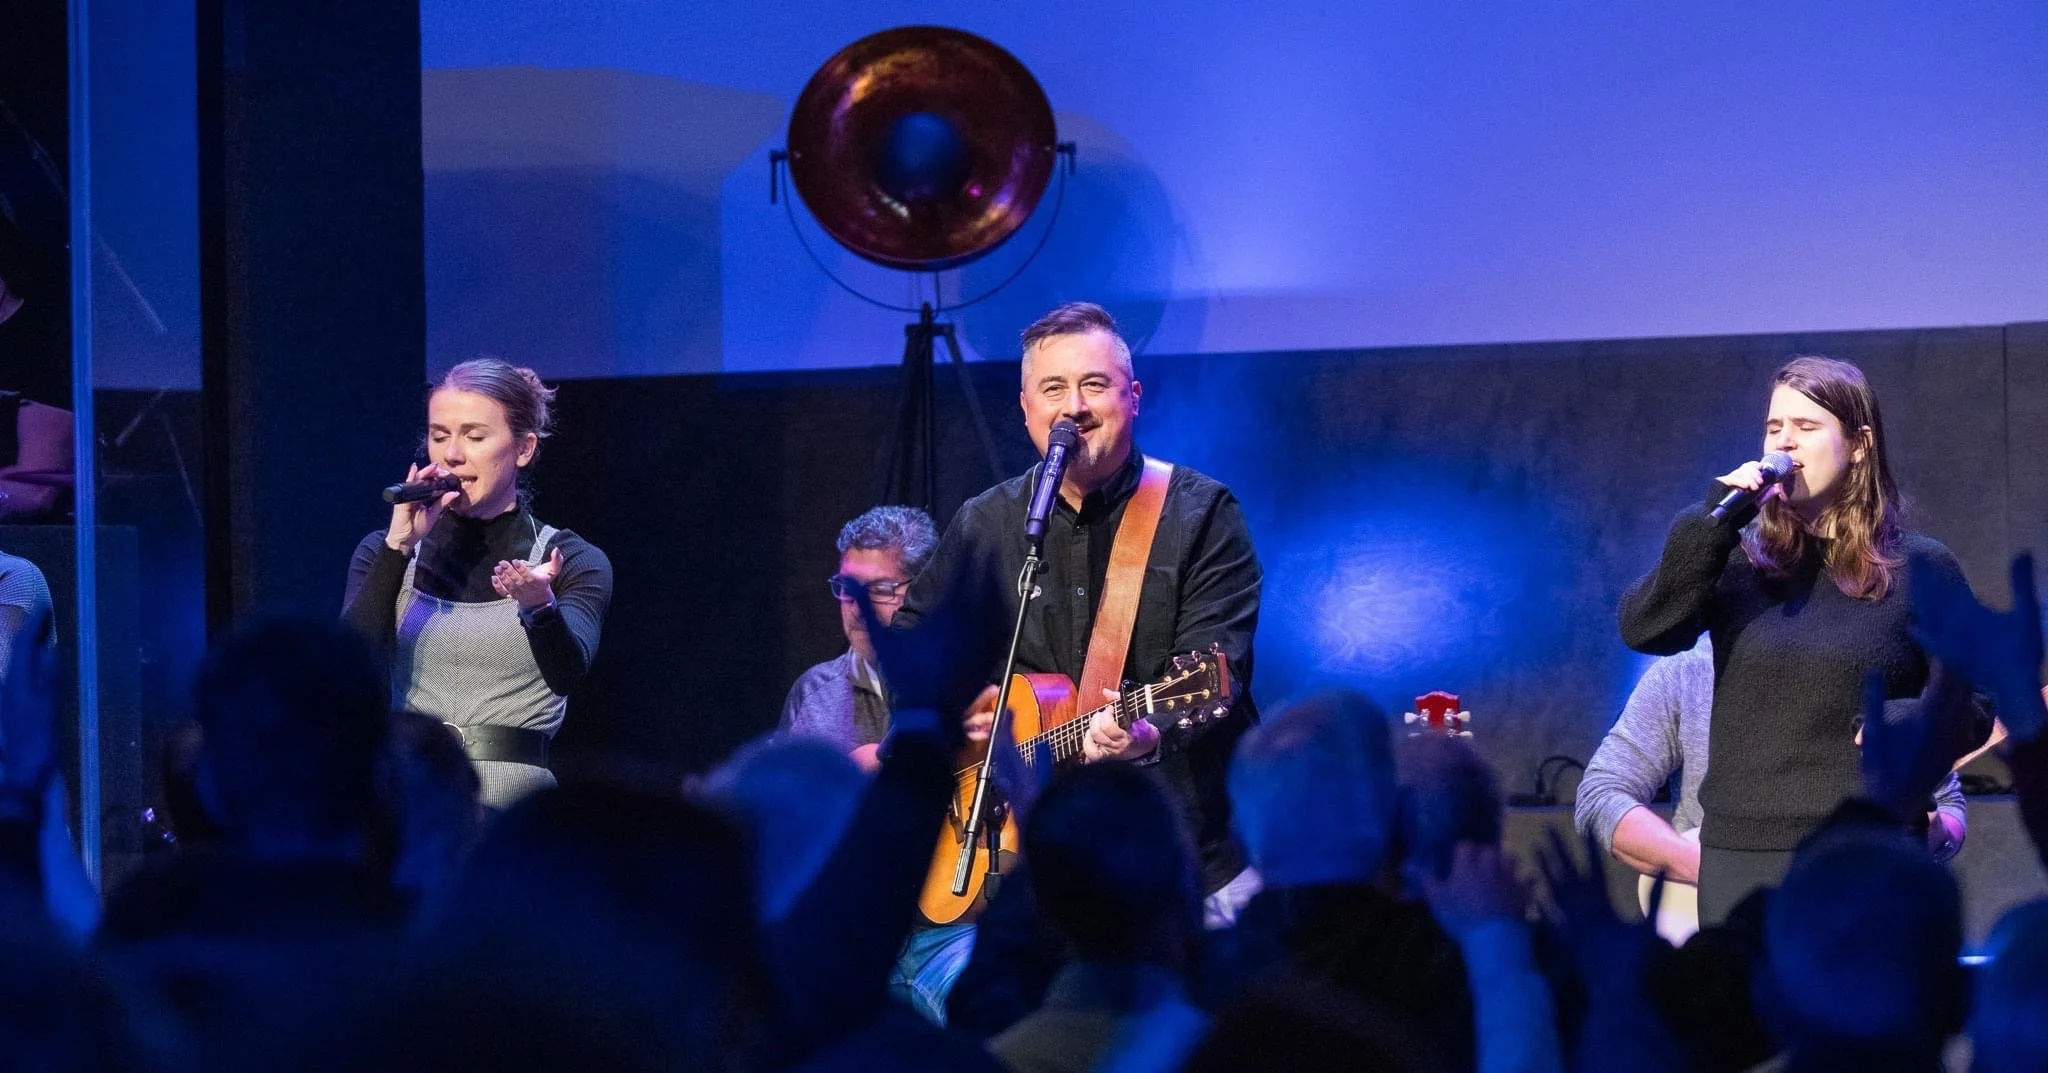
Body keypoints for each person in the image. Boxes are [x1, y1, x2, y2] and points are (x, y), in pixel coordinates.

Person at [889, 301, 1262, 1017]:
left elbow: (1215, 670)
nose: (1074, 408)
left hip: (1188, 865)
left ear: (1133, 396)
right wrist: (959, 712)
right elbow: (912, 644)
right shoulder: (988, 522)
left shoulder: (1200, 512)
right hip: (1037, 879)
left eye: (1094, 384)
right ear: (1026, 407)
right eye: (1054, 388)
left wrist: (1149, 731)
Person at [1618, 355, 1980, 924]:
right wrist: (1713, 521)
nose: (1783, 443)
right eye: (1773, 428)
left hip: (1866, 851)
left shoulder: (1920, 567)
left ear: (1858, 445)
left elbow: (1977, 699)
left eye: (1806, 427)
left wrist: (1907, 720)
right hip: (1740, 853)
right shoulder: (1734, 561)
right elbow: (1646, 628)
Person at [343, 358, 613, 808]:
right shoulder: (385, 551)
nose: (451, 454)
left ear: (523, 449)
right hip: (412, 794)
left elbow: (567, 673)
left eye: (474, 436)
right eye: (439, 436)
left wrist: (539, 609)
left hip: (512, 800)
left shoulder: (569, 558)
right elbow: (347, 669)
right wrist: (397, 548)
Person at [1575, 635, 1970, 941]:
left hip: (1850, 933)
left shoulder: (1880, 669)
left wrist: (1921, 829)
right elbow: (1600, 794)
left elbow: (1950, 807)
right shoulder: (1686, 673)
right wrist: (1708, 867)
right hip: (1722, 937)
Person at [780, 505, 939, 772]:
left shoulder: (970, 685)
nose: (858, 608)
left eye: (881, 589)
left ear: (926, 590)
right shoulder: (814, 694)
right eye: (847, 588)